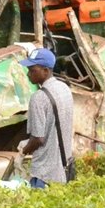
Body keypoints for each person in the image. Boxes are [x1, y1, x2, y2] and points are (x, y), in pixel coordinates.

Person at [18, 47, 75, 188]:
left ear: (46, 71)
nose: (28, 74)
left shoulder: (38, 97)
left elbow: (38, 138)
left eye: (32, 70)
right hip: (63, 168)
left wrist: (22, 153)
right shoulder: (64, 89)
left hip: (44, 174)